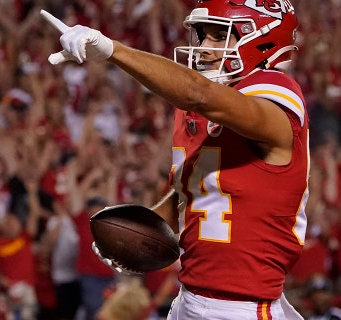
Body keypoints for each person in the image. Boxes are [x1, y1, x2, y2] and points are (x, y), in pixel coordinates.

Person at [43, 0, 309, 318]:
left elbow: (199, 93)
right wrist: (133, 233)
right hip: (189, 299)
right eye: (203, 36)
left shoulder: (276, 95)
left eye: (219, 36)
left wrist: (110, 49)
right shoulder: (197, 108)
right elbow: (194, 194)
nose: (205, 48)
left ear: (262, 38)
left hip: (242, 307)